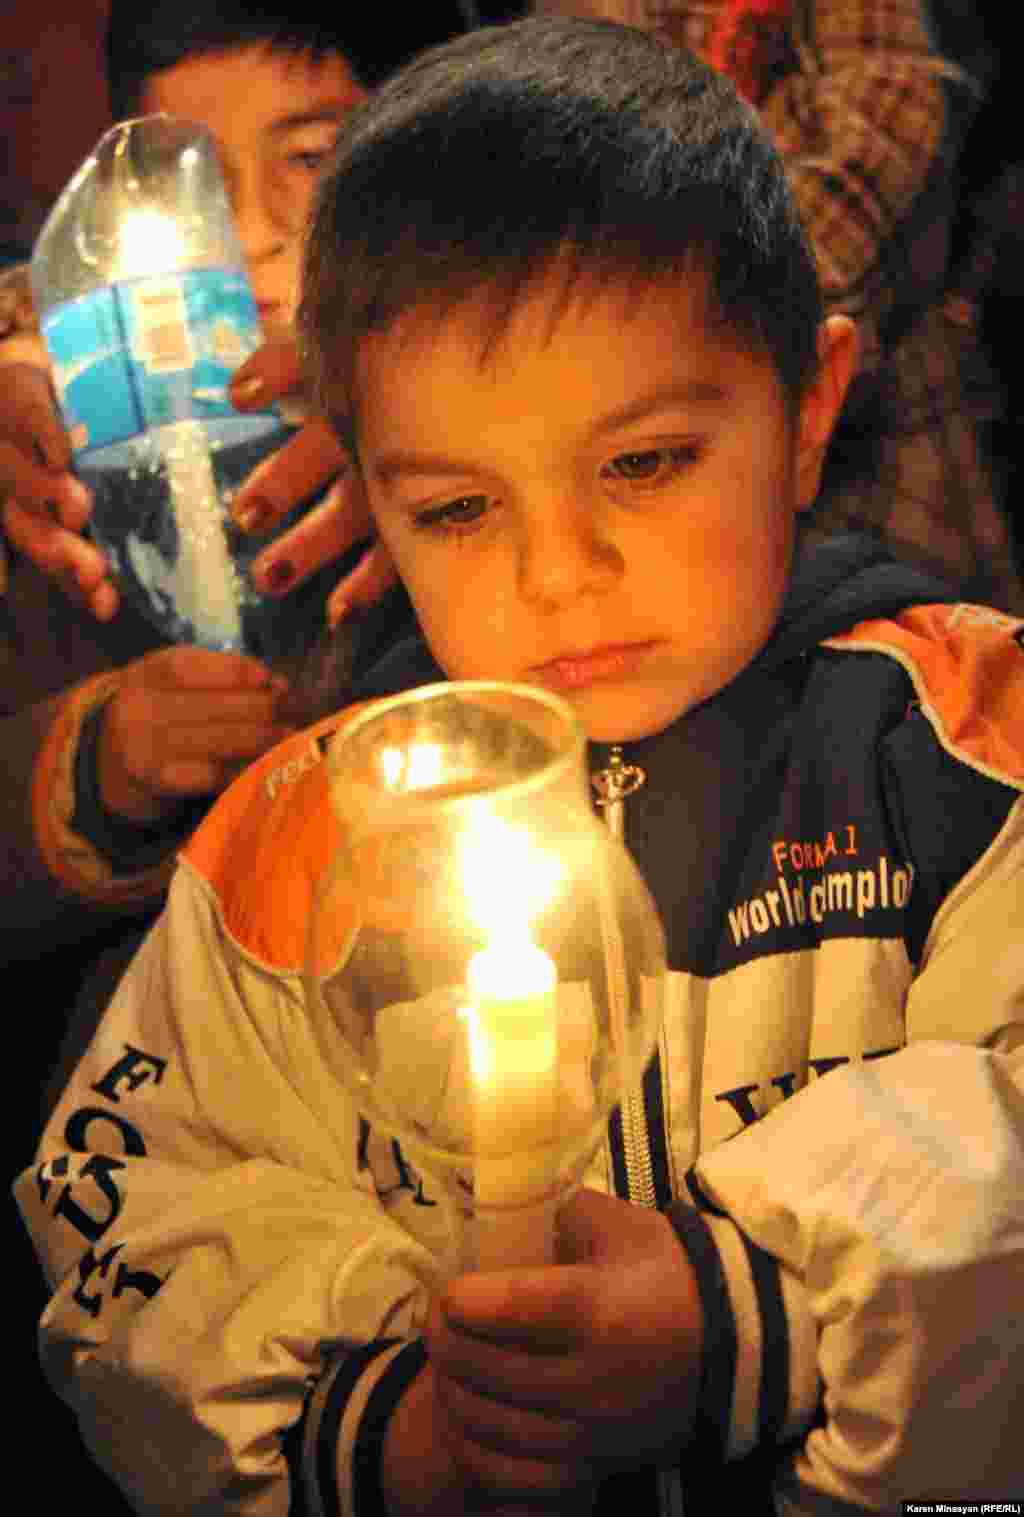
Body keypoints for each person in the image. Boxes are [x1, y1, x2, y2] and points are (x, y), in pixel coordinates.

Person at [15, 16, 1024, 1516]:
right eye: (461, 509)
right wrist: (395, 1433)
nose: (561, 574)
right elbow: (140, 1217)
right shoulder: (301, 840)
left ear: (807, 413)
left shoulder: (961, 742)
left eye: (644, 463)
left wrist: (744, 1310)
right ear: (364, 492)